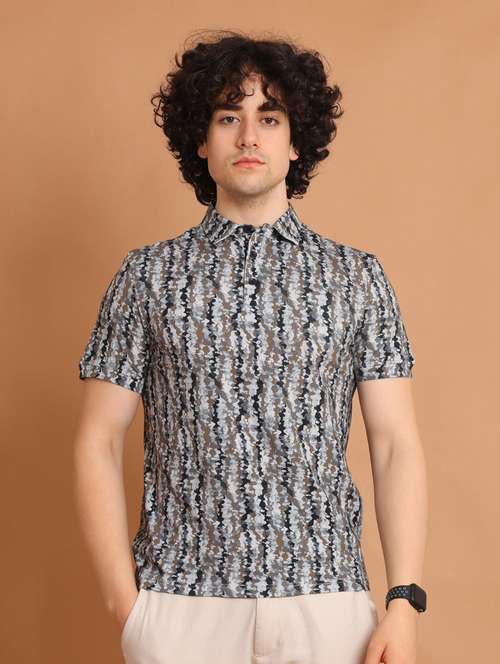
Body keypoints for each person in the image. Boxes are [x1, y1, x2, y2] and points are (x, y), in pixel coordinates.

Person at [74, 29, 428, 664]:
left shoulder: (356, 278)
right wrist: (126, 607)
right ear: (201, 140)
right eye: (227, 117)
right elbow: (97, 440)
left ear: (295, 143)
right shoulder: (148, 277)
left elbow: (395, 443)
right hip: (179, 605)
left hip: (326, 603)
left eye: (269, 118)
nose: (247, 137)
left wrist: (403, 600)